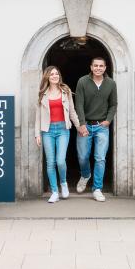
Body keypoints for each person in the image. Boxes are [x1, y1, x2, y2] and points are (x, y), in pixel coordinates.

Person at [73, 55, 116, 201]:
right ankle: (85, 175)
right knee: (83, 156)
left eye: (101, 66)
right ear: (91, 67)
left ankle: (97, 188)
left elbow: (113, 104)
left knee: (100, 158)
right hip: (85, 125)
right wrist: (82, 124)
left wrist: (108, 120)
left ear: (105, 68)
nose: (98, 68)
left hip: (102, 127)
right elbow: (78, 103)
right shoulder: (82, 81)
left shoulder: (111, 83)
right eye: (95, 66)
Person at [33, 64, 76, 203]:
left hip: (63, 129)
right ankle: (54, 192)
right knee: (50, 162)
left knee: (60, 161)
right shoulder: (42, 94)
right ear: (47, 77)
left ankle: (63, 183)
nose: (54, 76)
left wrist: (79, 126)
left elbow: (72, 111)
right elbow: (38, 116)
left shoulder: (66, 90)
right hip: (47, 130)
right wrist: (37, 134)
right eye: (51, 74)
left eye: (56, 73)